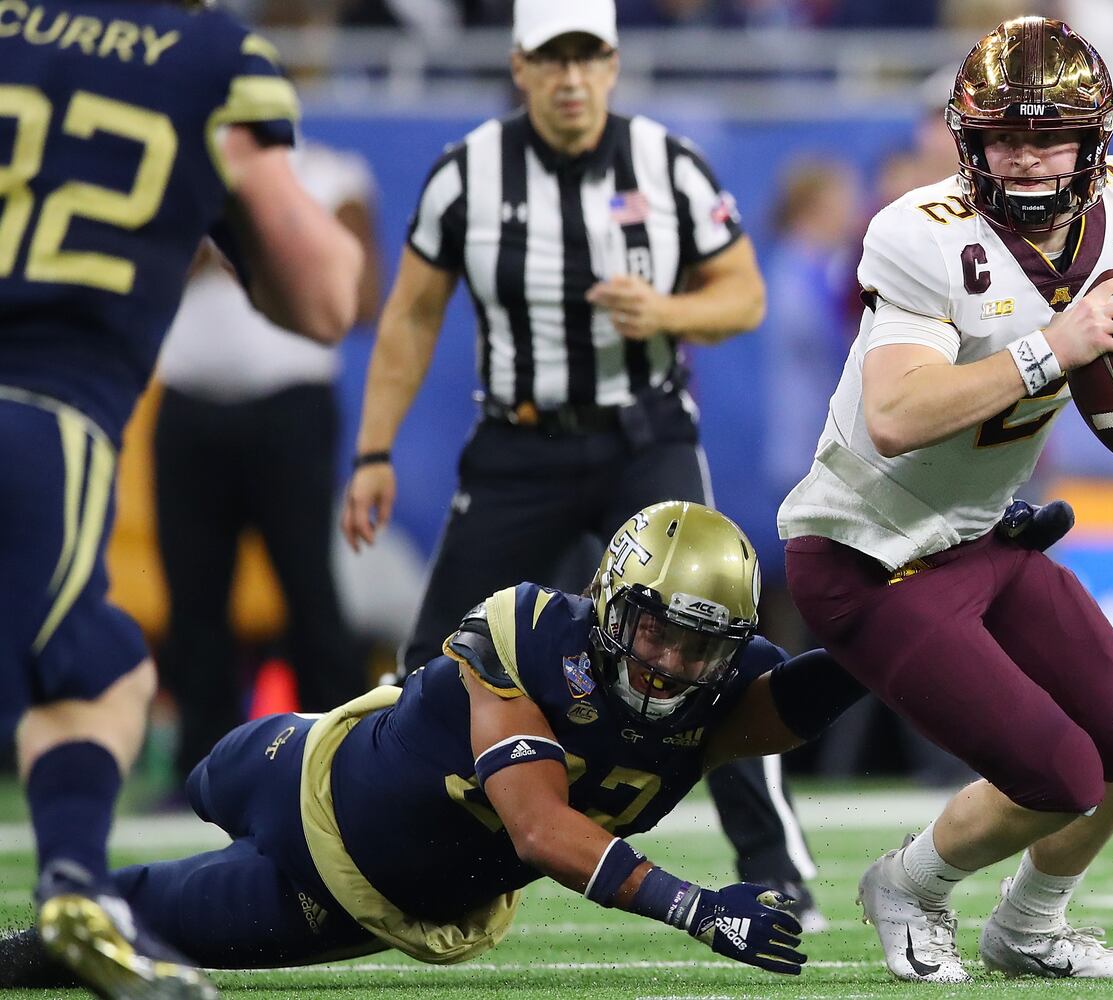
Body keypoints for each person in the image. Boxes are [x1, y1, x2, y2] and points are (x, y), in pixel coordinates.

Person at [778, 16, 1113, 983]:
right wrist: (1059, 344)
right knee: (1060, 773)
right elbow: (893, 414)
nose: (1027, 158)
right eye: (1005, 135)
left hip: (979, 536)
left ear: (1095, 142)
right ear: (969, 141)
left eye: (1049, 135)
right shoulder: (924, 234)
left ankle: (1030, 927)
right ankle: (909, 885)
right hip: (867, 555)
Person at [340, 0, 825, 924]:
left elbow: (745, 295)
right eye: (550, 59)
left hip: (642, 434)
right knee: (435, 653)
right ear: (519, 67)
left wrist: (668, 314)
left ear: (612, 64)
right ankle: (378, 848)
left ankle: (779, 870)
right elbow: (408, 314)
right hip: (518, 444)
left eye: (586, 57)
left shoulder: (668, 165)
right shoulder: (466, 174)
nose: (569, 78)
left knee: (720, 647)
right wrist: (371, 449)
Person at [0, 503, 866, 988]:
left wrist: (912, 631)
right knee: (192, 788)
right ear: (611, 601)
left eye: (699, 646)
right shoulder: (527, 632)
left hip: (349, 897)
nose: (671, 663)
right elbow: (539, 829)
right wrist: (696, 907)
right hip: (296, 765)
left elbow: (847, 673)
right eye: (654, 631)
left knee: (96, 934)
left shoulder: (722, 697)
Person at [0, 0, 364, 995]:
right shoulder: (206, 53)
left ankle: (76, 885)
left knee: (105, 661)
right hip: (41, 409)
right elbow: (329, 298)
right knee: (88, 666)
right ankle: (76, 885)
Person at [153, 141, 384, 792]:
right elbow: (141, 275)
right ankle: (200, 771)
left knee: (310, 591)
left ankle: (341, 765)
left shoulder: (333, 172)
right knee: (193, 600)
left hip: (291, 411)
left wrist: (243, 239)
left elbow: (360, 299)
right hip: (188, 409)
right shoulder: (182, 169)